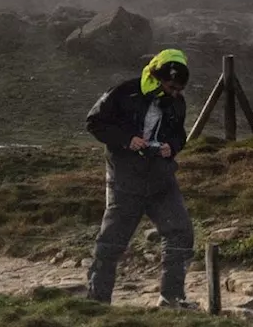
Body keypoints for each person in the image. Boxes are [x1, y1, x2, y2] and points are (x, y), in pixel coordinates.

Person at [85, 48, 197, 309]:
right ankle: (96, 303)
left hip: (161, 179)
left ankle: (172, 299)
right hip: (126, 180)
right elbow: (94, 122)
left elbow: (180, 135)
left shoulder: (177, 102)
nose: (175, 93)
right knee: (112, 241)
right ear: (157, 78)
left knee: (180, 232)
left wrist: (172, 146)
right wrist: (126, 140)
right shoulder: (124, 92)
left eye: (179, 88)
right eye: (171, 86)